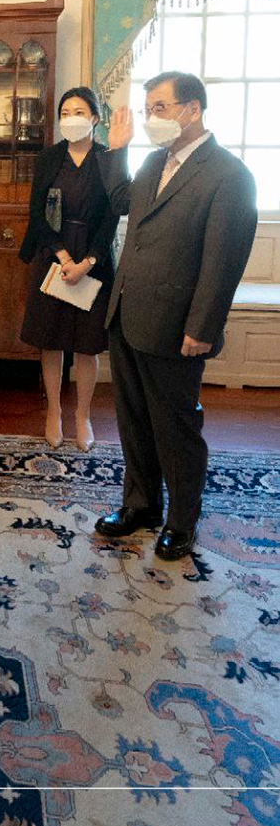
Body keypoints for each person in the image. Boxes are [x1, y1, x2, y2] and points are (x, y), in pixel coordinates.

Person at [94, 70, 257, 560]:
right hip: (127, 315)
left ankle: (182, 520)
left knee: (176, 428)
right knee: (134, 420)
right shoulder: (152, 163)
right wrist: (116, 150)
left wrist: (202, 327)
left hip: (176, 326)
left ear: (193, 110)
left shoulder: (228, 175)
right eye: (147, 109)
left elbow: (223, 260)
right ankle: (140, 506)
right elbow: (123, 202)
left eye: (160, 108)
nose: (151, 118)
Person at [19, 87, 119, 450]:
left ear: (94, 118)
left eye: (79, 111)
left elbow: (111, 219)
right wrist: (63, 258)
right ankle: (54, 413)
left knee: (86, 346)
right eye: (65, 112)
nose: (71, 118)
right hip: (53, 257)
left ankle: (83, 416)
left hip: (94, 259)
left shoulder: (109, 159)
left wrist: (87, 262)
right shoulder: (48, 159)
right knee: (51, 341)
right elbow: (36, 214)